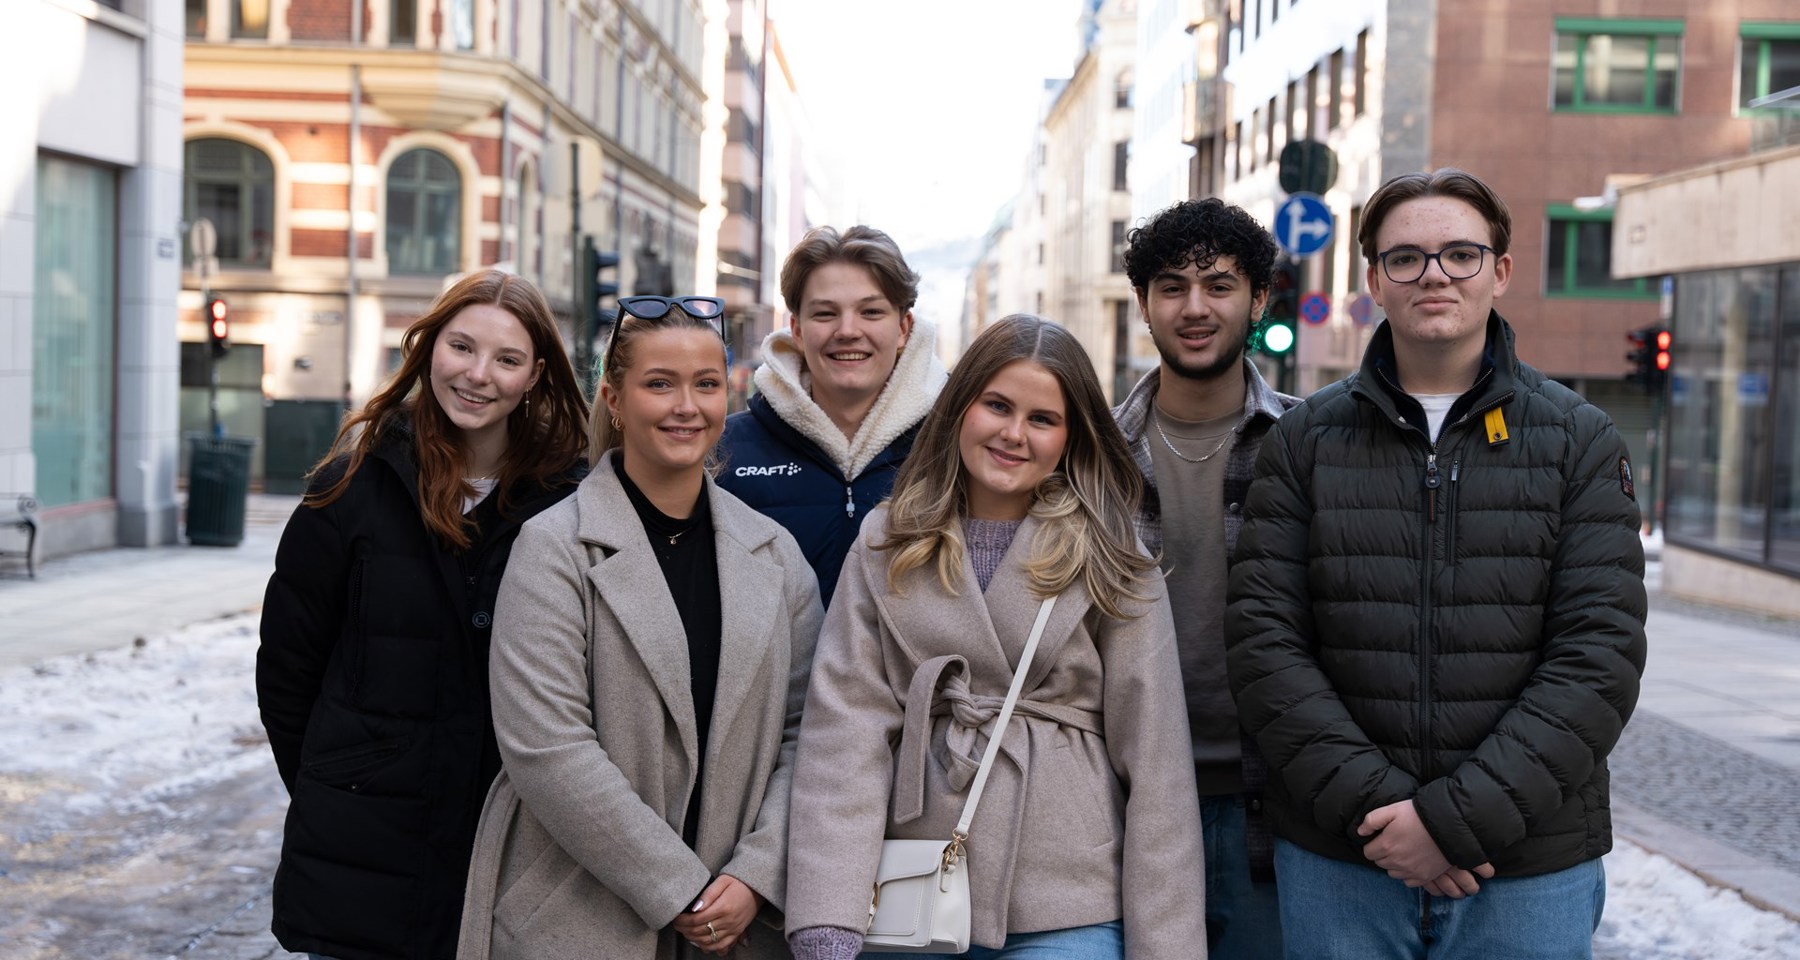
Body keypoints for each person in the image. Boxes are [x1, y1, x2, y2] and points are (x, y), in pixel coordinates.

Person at [1226, 168, 1648, 960]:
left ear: (1501, 271)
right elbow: (1264, 645)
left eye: (1460, 253)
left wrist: (1455, 823)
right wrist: (1388, 816)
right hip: (1345, 857)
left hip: (1525, 865)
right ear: (1375, 282)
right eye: (1406, 258)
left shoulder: (1580, 440)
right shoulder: (1305, 441)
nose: (1435, 275)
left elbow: (1599, 658)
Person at [785, 314, 1207, 960]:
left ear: (1071, 437)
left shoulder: (1113, 559)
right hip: (912, 888)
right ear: (961, 409)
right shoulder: (885, 542)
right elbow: (844, 734)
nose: (1014, 434)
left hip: (1069, 898)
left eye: (1042, 419)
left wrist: (1167, 948)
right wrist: (828, 912)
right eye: (998, 406)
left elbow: (1158, 768)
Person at [456, 295, 824, 960]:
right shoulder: (553, 547)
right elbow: (546, 746)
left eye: (707, 385)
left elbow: (811, 733)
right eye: (660, 384)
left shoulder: (775, 555)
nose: (687, 406)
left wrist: (756, 873)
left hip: (741, 925)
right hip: (578, 915)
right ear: (616, 399)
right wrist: (681, 890)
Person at [257, 269, 590, 960]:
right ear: (429, 346)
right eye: (462, 347)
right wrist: (342, 782)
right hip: (364, 861)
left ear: (534, 376)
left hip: (507, 854)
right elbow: (287, 674)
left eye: (506, 359)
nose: (478, 375)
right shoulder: (347, 493)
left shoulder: (568, 506)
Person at [1114, 197, 1298, 959]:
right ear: (1143, 304)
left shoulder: (1312, 445)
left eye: (1219, 285)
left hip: (1280, 812)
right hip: (1124, 810)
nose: (1195, 307)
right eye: (1171, 286)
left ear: (1258, 300)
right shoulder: (1089, 454)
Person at [716, 225, 946, 605]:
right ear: (798, 331)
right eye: (825, 314)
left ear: (904, 328)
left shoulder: (951, 448)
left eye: (871, 312)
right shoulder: (725, 450)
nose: (848, 331)